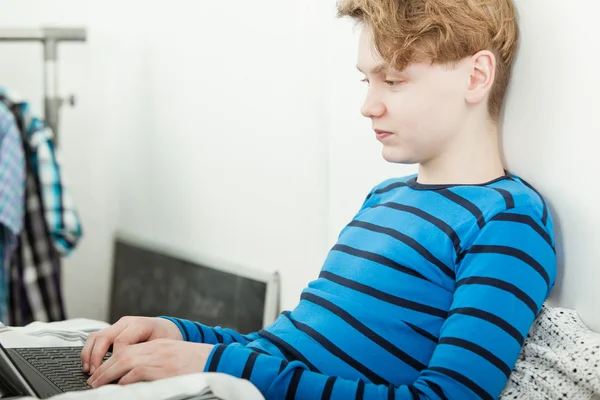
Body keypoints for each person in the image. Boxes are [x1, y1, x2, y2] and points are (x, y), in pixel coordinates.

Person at [81, 0, 557, 399]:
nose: (369, 105)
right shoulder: (385, 198)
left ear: (476, 77)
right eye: (365, 81)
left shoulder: (508, 220)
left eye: (393, 80)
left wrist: (215, 363)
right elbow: (285, 350)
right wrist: (181, 336)